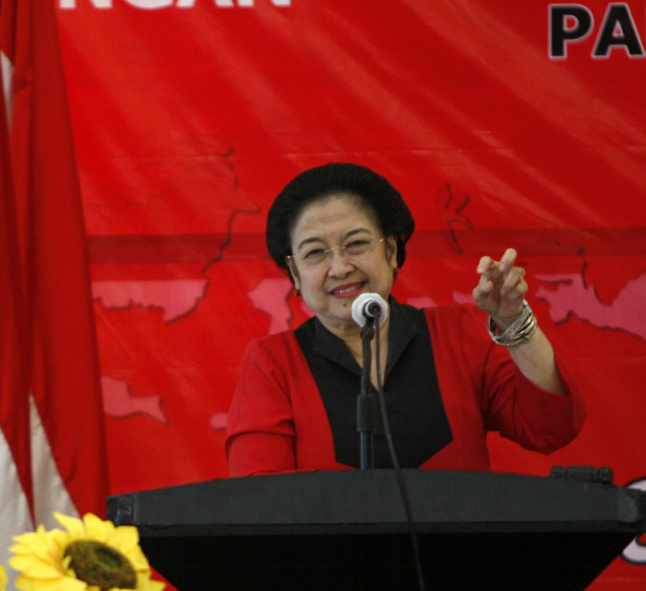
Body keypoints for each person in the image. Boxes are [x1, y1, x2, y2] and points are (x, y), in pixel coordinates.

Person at [226, 162, 586, 476]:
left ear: (392, 250)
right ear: (294, 273)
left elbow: (550, 427)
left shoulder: (457, 334)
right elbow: (261, 502)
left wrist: (512, 321)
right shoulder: (273, 364)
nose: (339, 267)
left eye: (356, 244)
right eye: (315, 252)